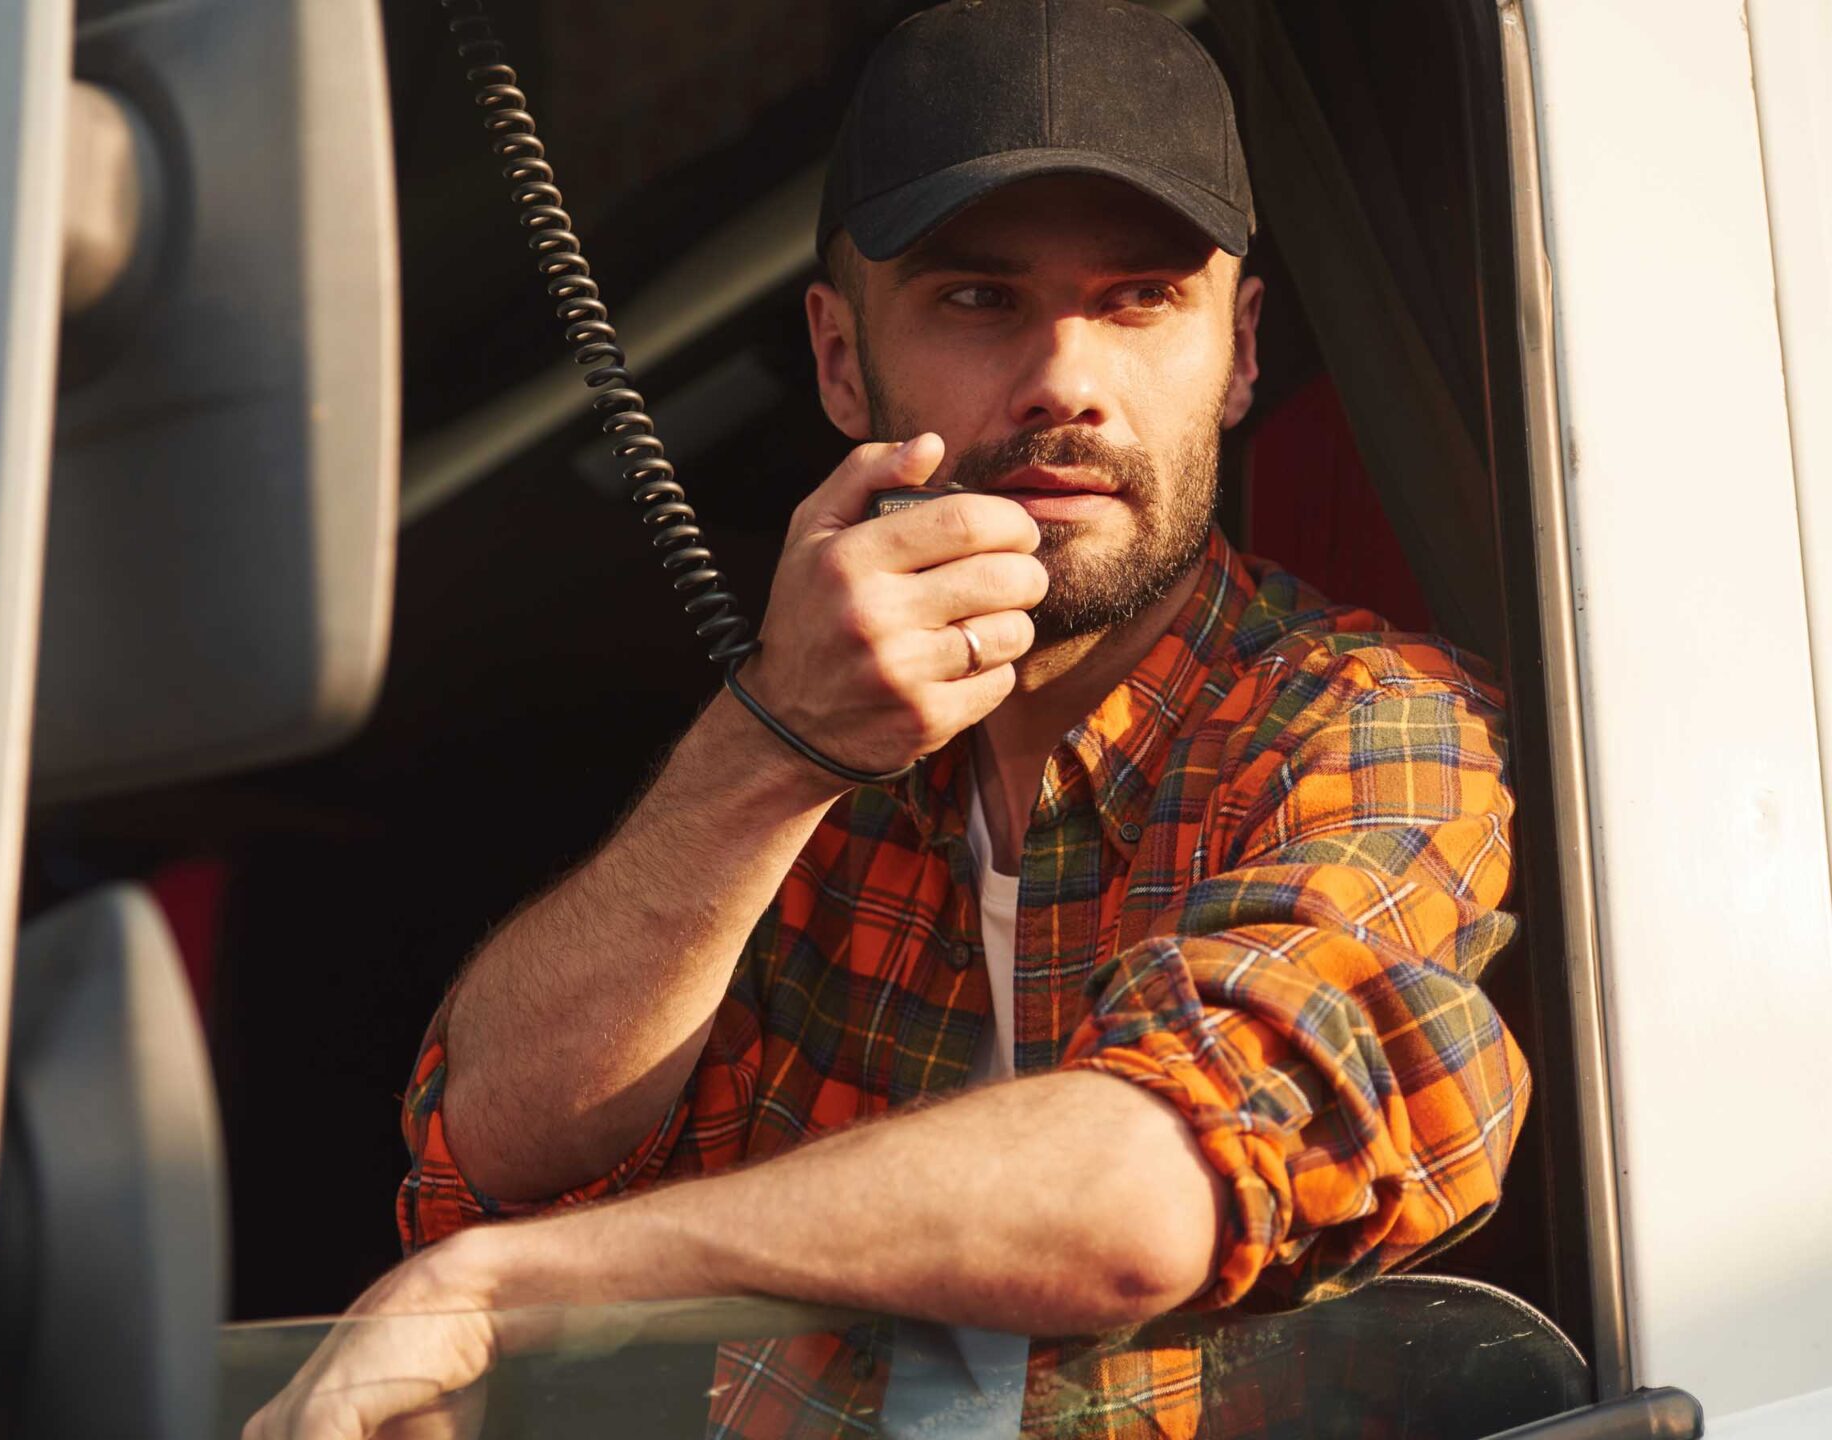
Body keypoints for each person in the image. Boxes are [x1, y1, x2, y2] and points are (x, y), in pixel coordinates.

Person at [249, 2, 1528, 1436]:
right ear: (843, 360)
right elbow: (486, 1154)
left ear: (1238, 355)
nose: (1064, 381)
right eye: (979, 300)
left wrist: (521, 1288)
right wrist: (770, 744)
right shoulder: (817, 742)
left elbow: (1160, 1178)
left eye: (1138, 300)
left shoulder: (1360, 724)